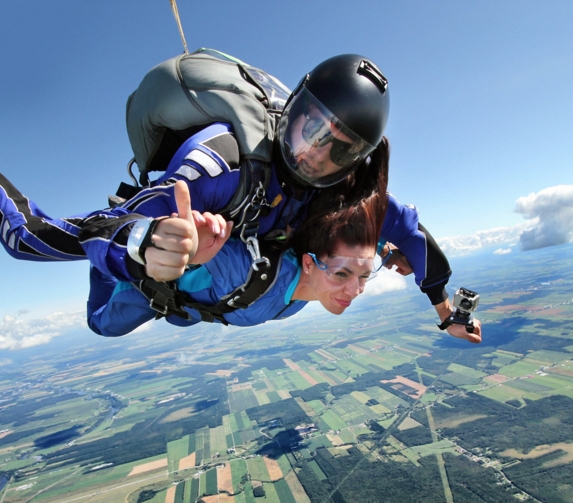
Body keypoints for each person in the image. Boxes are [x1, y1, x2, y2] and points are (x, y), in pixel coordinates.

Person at [0, 54, 481, 343]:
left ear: (357, 160)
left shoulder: (343, 187)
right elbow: (113, 222)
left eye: (340, 149)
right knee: (81, 300)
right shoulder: (222, 161)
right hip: (162, 263)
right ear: (291, 109)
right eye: (311, 128)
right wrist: (151, 245)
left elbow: (412, 234)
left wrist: (444, 311)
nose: (314, 154)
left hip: (227, 278)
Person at [87, 181, 384, 336]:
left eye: (365, 276)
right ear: (308, 263)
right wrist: (186, 241)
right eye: (343, 275)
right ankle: (116, 244)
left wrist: (393, 249)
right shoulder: (245, 268)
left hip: (193, 309)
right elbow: (207, 246)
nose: (355, 291)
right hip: (148, 290)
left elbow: (357, 250)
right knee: (102, 325)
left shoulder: (315, 285)